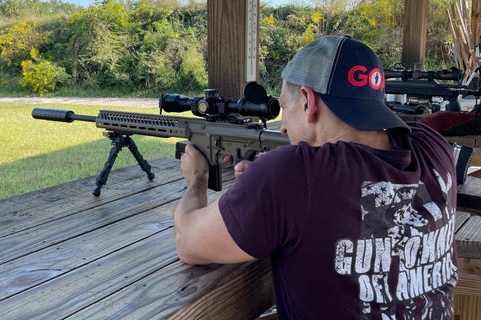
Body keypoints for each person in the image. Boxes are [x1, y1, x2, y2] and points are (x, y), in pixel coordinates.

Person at [173, 35, 458, 319]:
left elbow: (189, 242)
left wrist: (197, 178)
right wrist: (266, 188)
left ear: (308, 101)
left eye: (285, 108)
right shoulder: (434, 147)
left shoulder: (294, 174)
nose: (283, 128)